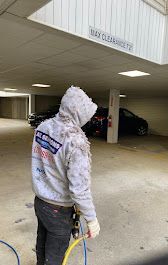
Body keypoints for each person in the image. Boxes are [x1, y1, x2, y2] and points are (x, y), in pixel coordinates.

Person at [32, 86, 100, 265]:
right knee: (54, 256)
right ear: (78, 112)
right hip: (58, 209)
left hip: (40, 202)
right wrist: (92, 220)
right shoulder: (76, 142)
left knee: (42, 244)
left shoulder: (43, 126)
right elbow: (79, 189)